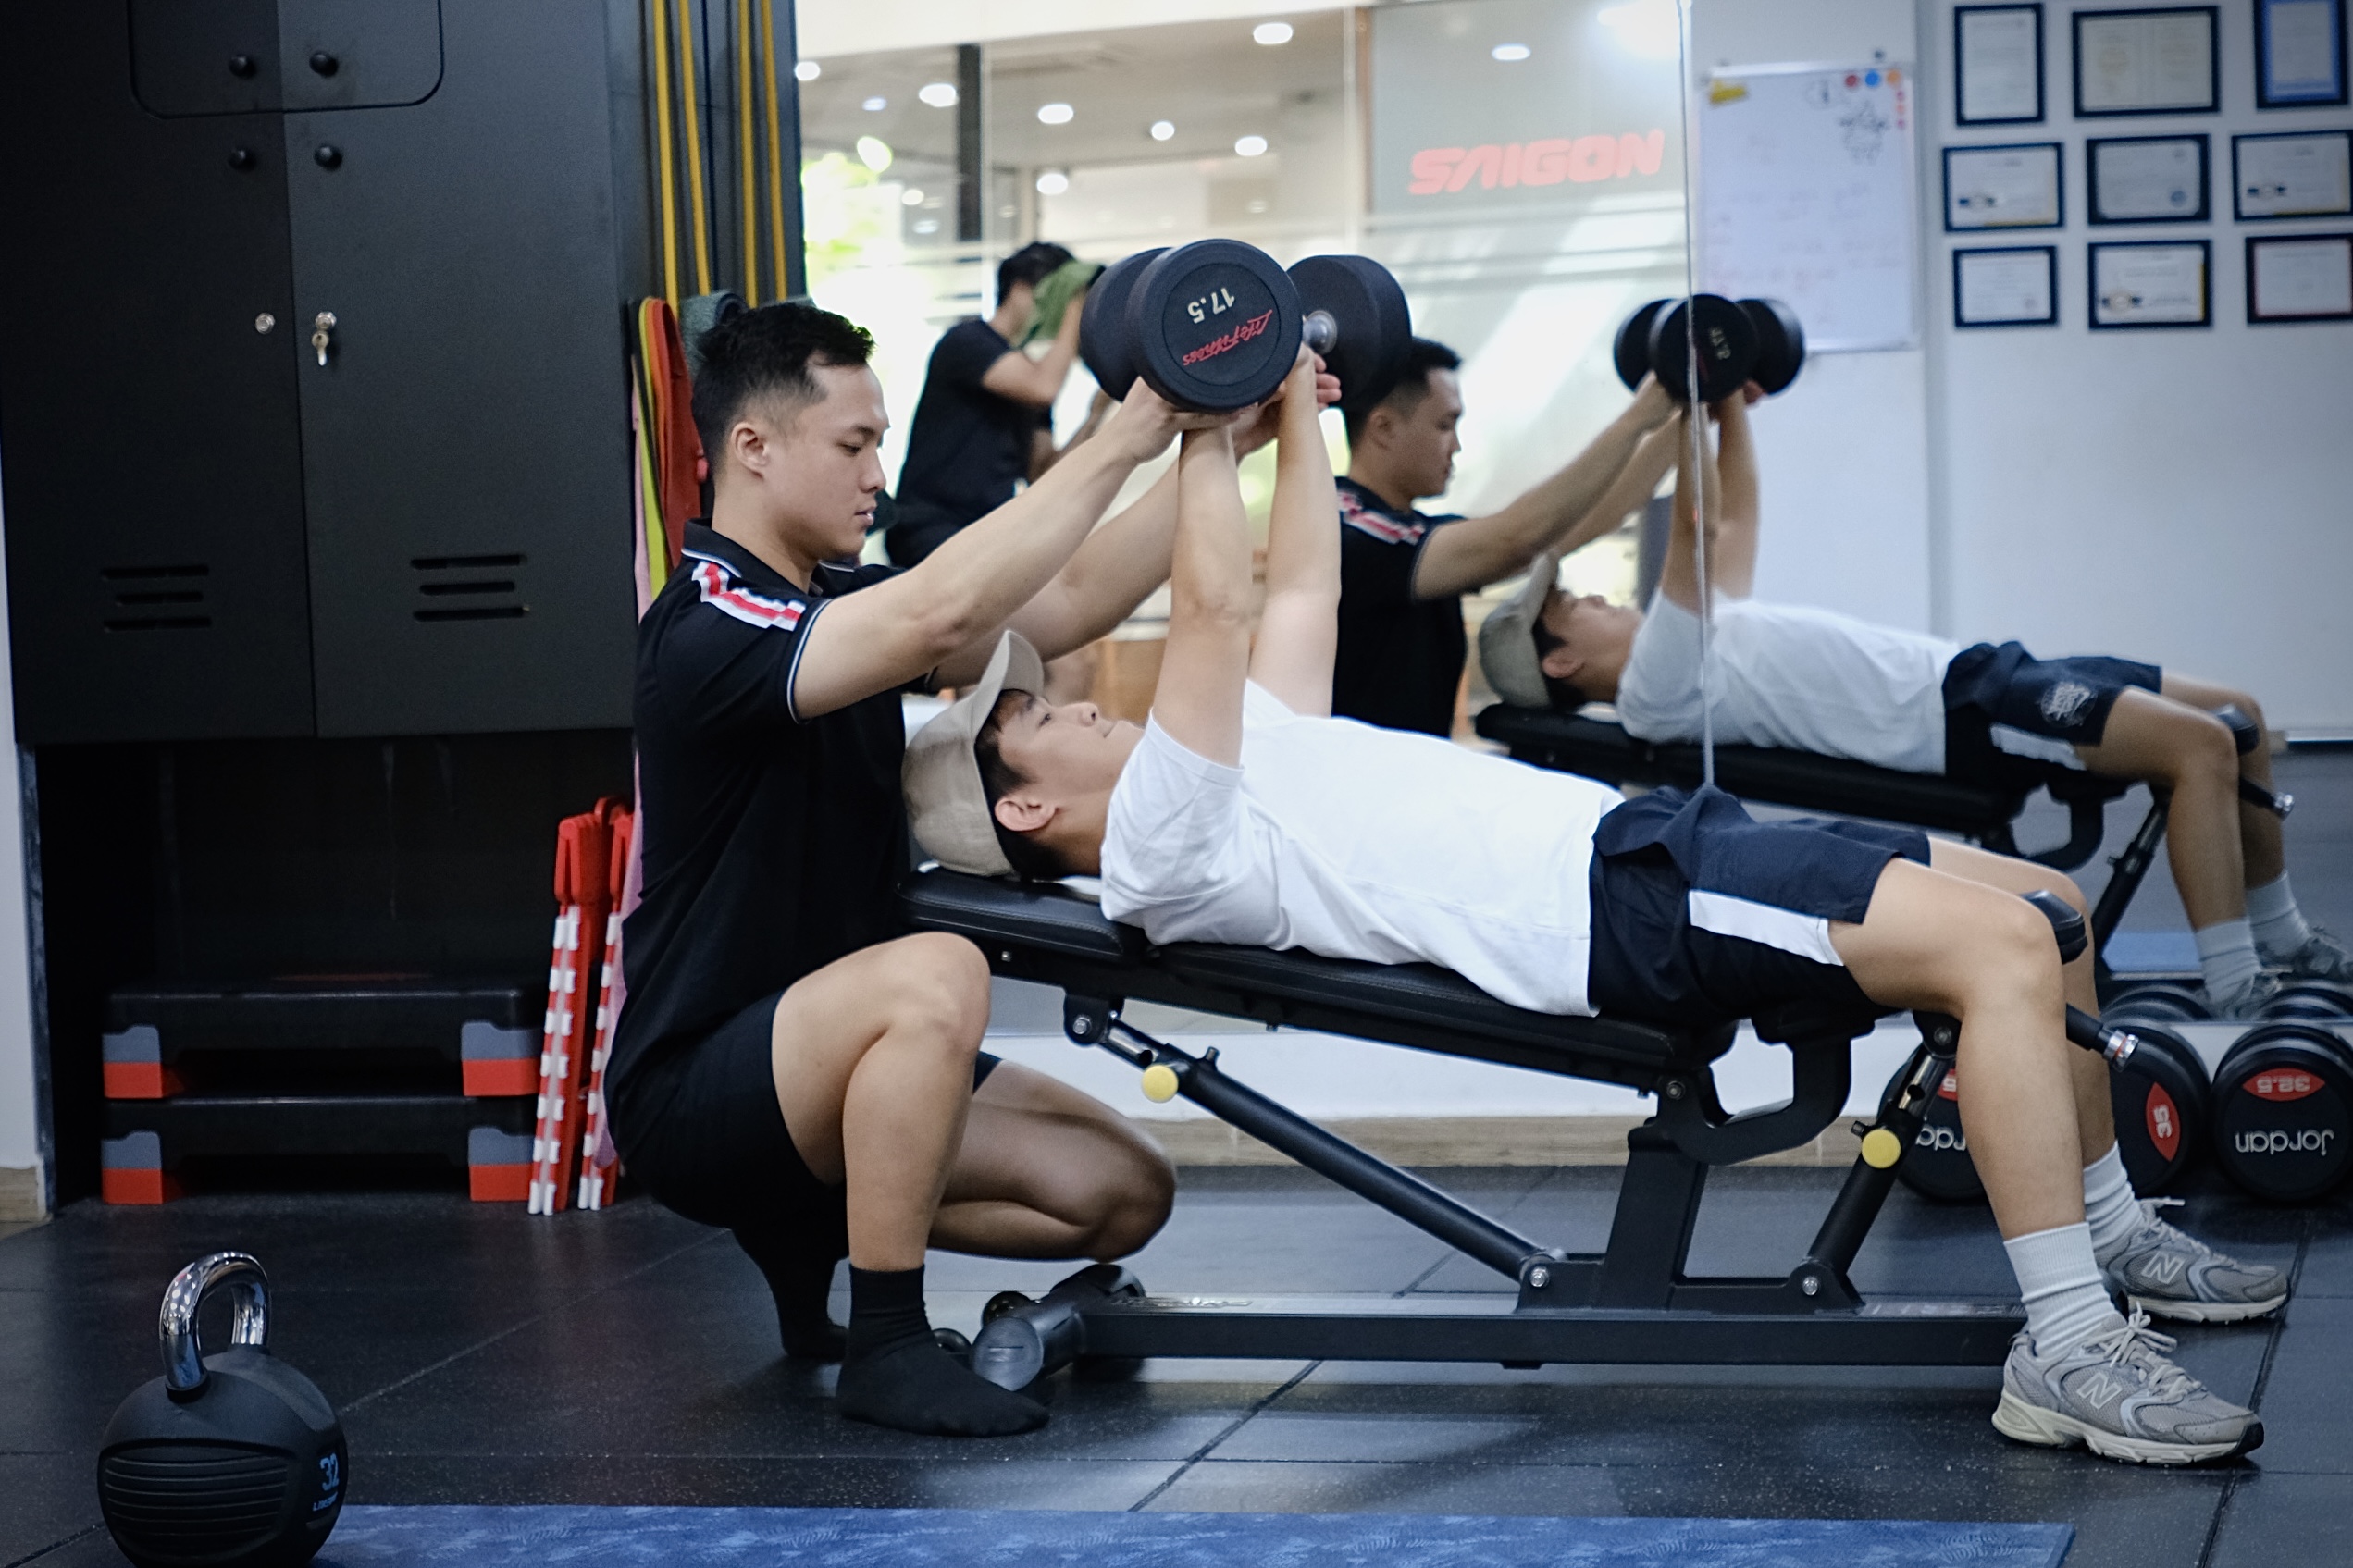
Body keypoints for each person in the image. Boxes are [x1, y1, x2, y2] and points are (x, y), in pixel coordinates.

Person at [902, 347, 2285, 1467]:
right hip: (1618, 904)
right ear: (1023, 808)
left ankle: (2107, 1235)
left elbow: (1296, 577)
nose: (1073, 699)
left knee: (2044, 898)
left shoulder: (1240, 754)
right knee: (2000, 948)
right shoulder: (1159, 841)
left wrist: (1293, 407)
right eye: (1037, 718)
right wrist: (1207, 419)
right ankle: (2062, 1340)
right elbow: (1206, 607)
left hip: (1651, 844)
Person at [609, 299, 1288, 1440]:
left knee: (1125, 1195)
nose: (879, 470)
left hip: (835, 1070)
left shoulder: (832, 601)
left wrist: (1214, 439)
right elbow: (935, 612)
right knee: (938, 970)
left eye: (878, 442)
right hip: (697, 1083)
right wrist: (1122, 432)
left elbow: (1068, 598)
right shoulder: (707, 623)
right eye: (854, 444)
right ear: (752, 449)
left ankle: (817, 1222)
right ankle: (886, 1340)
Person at [1476, 390, 2348, 1016]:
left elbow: (1733, 519)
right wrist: (1685, 397)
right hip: (1964, 715)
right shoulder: (1654, 688)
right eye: (1572, 607)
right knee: (2199, 746)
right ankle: (2236, 979)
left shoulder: (1692, 647)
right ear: (1559, 659)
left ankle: (2282, 935)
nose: (1593, 597)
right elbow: (1698, 529)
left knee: (2240, 715)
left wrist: (1728, 403)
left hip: (1986, 671)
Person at [1329, 337, 1675, 735]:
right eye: (1444, 425)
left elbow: (1595, 516)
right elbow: (1518, 538)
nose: (1456, 446)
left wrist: (1690, 408)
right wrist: (1637, 418)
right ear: (1384, 428)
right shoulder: (1348, 527)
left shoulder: (1410, 532)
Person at [886, 241, 1105, 569]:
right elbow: (1043, 387)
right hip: (930, 527)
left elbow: (1043, 474)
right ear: (1019, 288)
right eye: (1053, 295)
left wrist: (1095, 416)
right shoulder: (968, 341)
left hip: (983, 532)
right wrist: (1075, 308)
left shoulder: (1028, 375)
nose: (1058, 310)